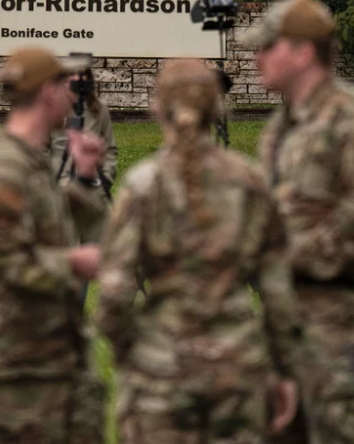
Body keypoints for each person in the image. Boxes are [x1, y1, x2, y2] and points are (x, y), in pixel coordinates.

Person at [95, 60, 300, 444]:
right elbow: (278, 291)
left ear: (159, 109)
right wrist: (284, 368)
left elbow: (113, 295)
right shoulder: (250, 181)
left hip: (161, 371)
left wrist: (133, 352)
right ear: (217, 109)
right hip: (237, 369)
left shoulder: (143, 186)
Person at [241, 0, 354, 444]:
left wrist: (292, 258)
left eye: (267, 47)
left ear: (302, 52)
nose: (257, 58)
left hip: (338, 328)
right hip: (282, 323)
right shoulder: (280, 127)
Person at [0, 47, 108, 444]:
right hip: (23, 372)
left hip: (51, 358)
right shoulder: (4, 172)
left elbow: (44, 227)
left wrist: (83, 176)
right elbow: (4, 265)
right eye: (64, 84)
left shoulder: (30, 162)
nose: (71, 93)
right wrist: (74, 263)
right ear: (47, 91)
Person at [49, 69, 118, 215]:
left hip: (92, 189)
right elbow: (41, 150)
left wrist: (104, 180)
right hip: (58, 188)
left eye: (81, 74)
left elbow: (110, 150)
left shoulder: (99, 110)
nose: (77, 79)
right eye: (72, 74)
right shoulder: (53, 110)